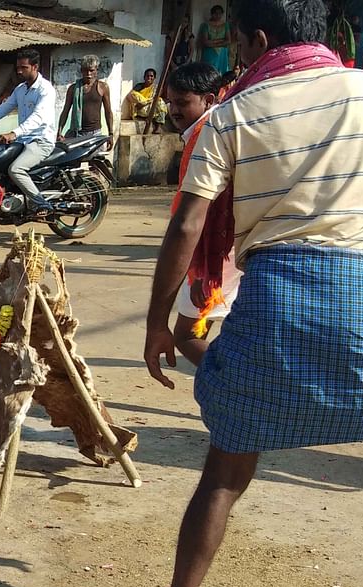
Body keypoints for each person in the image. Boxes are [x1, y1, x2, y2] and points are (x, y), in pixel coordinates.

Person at [143, 0, 363, 587]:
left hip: (276, 302)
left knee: (224, 474)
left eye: (241, 50)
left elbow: (189, 223)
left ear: (254, 39)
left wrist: (158, 322)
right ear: (329, 35)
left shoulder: (234, 112)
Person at [163, 62, 239, 365]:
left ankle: (231, 386)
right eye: (170, 102)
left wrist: (200, 274)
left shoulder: (205, 136)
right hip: (229, 251)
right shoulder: (210, 129)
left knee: (187, 336)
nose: (173, 110)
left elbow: (205, 213)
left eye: (182, 102)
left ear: (209, 99)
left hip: (217, 256)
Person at [0, 48, 56, 214]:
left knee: (16, 169)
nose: (19, 71)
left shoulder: (45, 90)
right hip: (23, 140)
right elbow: (1, 111)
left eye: (24, 67)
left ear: (35, 67)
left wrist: (14, 133)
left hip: (40, 141)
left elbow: (38, 117)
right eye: (18, 67)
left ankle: (42, 204)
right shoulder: (20, 89)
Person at [57, 54, 116, 149]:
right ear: (81, 71)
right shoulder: (73, 89)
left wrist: (111, 134)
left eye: (91, 70)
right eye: (85, 70)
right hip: (76, 133)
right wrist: (59, 132)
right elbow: (65, 111)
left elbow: (108, 112)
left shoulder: (102, 87)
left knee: (95, 161)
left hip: (95, 134)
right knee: (71, 161)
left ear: (96, 70)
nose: (88, 74)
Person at [196, 4, 232, 73]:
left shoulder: (225, 25)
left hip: (222, 53)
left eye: (220, 13)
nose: (218, 15)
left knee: (221, 74)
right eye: (216, 13)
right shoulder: (205, 25)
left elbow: (228, 41)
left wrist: (212, 42)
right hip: (209, 53)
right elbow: (205, 42)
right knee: (208, 73)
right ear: (212, 14)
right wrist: (221, 41)